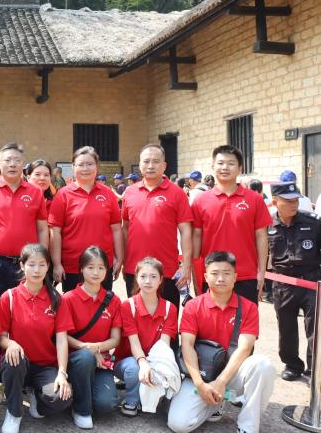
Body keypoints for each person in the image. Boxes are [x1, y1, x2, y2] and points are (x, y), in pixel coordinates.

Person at [167, 251, 275, 433]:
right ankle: (216, 403)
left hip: (232, 373)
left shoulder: (248, 307)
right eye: (215, 273)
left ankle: (248, 426)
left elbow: (245, 348)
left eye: (226, 273)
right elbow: (187, 346)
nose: (221, 278)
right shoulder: (193, 306)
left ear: (235, 277)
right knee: (178, 425)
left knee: (263, 365)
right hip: (202, 373)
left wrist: (221, 381)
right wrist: (200, 384)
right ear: (205, 277)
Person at [0, 244, 72, 433]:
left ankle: (36, 395)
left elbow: (62, 339)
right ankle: (14, 413)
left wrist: (62, 373)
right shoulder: (9, 297)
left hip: (46, 365)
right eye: (31, 264)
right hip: (18, 362)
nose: (36, 270)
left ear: (48, 267)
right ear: (22, 266)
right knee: (13, 360)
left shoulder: (56, 299)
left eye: (41, 265)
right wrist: (11, 343)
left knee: (62, 397)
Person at [191, 145, 271, 303]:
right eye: (220, 163)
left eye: (231, 163)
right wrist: (196, 274)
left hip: (246, 276)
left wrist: (262, 272)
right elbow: (196, 237)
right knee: (211, 319)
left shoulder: (254, 199)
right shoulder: (200, 201)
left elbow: (261, 236)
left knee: (244, 319)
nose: (225, 167)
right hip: (212, 276)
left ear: (240, 168)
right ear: (212, 167)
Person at [0, 143, 48, 303]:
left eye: (17, 160)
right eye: (7, 160)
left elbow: (42, 229)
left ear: (23, 164)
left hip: (26, 263)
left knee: (24, 308)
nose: (12, 164)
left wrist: (43, 260)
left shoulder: (35, 192)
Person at [121, 144, 193, 308]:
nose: (150, 165)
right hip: (135, 269)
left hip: (167, 270)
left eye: (156, 161)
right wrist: (124, 262)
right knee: (136, 316)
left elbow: (186, 231)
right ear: (140, 164)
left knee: (167, 317)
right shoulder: (130, 192)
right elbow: (125, 228)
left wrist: (186, 265)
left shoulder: (177, 193)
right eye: (146, 161)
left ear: (164, 165)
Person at [49, 146, 123, 293]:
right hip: (72, 266)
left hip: (102, 265)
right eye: (80, 164)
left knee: (102, 306)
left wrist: (119, 258)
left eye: (89, 164)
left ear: (97, 167)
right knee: (72, 305)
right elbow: (55, 232)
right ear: (73, 167)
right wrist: (57, 264)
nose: (85, 168)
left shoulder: (108, 194)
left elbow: (116, 229)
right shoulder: (63, 195)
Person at [62, 246, 121, 429]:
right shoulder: (68, 299)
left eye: (101, 268)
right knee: (85, 358)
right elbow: (62, 336)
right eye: (90, 267)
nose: (96, 272)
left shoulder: (113, 301)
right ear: (81, 269)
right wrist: (88, 350)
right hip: (75, 360)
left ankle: (80, 392)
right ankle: (81, 410)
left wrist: (96, 348)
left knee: (107, 405)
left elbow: (115, 339)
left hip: (101, 362)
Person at [267, 181, 321, 381]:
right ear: (275, 202)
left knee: (315, 327)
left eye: (296, 200)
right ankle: (292, 365)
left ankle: (314, 366)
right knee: (286, 327)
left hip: (311, 281)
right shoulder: (267, 225)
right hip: (283, 284)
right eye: (288, 201)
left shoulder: (313, 222)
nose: (294, 204)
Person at [114, 258, 178, 417]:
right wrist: (143, 364)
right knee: (135, 368)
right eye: (143, 276)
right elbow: (134, 342)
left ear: (161, 279)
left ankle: (151, 394)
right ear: (136, 278)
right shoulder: (128, 305)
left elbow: (164, 345)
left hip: (155, 359)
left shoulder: (170, 308)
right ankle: (132, 400)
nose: (148, 281)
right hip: (128, 361)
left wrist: (156, 367)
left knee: (167, 373)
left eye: (153, 276)